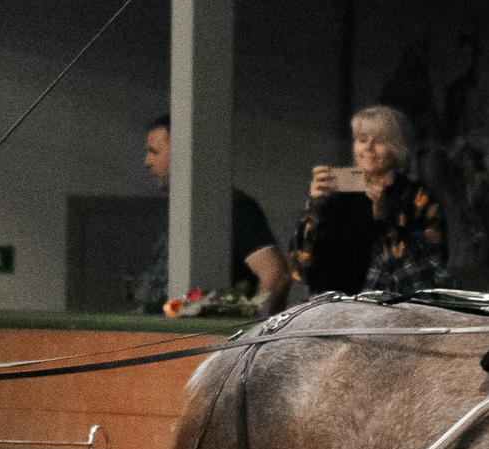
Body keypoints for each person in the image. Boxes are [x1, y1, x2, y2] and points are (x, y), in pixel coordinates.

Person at [135, 116, 291, 315]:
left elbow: (276, 275)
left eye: (154, 152)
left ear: (183, 154)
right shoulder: (181, 209)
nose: (147, 162)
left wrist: (256, 331)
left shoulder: (231, 206)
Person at [292, 104, 448, 296]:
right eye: (362, 139)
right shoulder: (336, 190)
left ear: (397, 147)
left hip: (386, 315)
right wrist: (315, 208)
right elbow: (300, 271)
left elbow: (425, 277)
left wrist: (383, 221)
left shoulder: (418, 197)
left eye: (379, 141)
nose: (368, 147)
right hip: (329, 311)